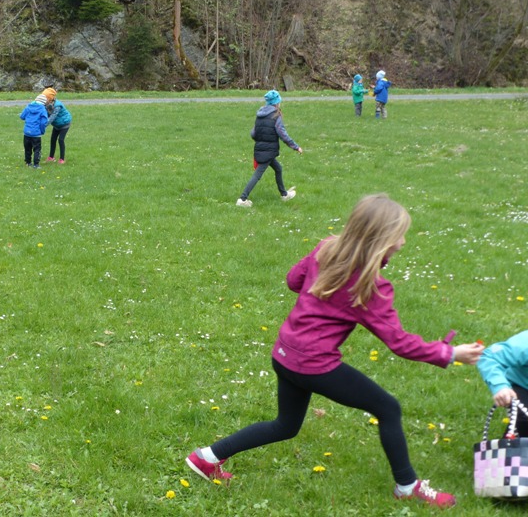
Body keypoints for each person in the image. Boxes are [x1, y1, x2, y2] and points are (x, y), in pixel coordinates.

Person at [186, 194, 485, 508]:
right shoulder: (370, 286)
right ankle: (407, 487)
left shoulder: (325, 249)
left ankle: (207, 457)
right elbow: (399, 342)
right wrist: (451, 353)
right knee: (388, 408)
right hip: (314, 365)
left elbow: (293, 280)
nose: (403, 242)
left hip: (284, 354)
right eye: (400, 235)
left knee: (286, 425)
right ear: (381, 240)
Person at [236, 90, 302, 208]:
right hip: (269, 150)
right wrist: (295, 147)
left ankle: (284, 194)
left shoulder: (260, 114)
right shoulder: (276, 115)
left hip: (261, 148)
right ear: (277, 102)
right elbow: (283, 134)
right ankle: (242, 199)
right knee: (257, 175)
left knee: (278, 168)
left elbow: (253, 133)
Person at [477, 330, 528, 436]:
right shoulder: (524, 343)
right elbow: (489, 356)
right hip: (522, 386)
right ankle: (513, 444)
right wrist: (500, 386)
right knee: (524, 420)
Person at [42, 88, 73, 164]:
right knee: (53, 139)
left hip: (64, 124)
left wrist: (43, 126)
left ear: (50, 98)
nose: (43, 99)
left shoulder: (57, 106)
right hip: (56, 125)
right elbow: (44, 114)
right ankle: (51, 157)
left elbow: (52, 117)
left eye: (45, 98)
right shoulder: (46, 104)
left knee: (61, 140)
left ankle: (62, 159)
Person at [21, 93, 48, 169]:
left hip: (27, 132)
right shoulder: (43, 110)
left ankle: (28, 163)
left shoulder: (28, 107)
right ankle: (36, 164)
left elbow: (22, 116)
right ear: (44, 103)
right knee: (37, 149)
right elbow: (43, 123)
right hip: (36, 133)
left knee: (27, 148)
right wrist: (42, 131)